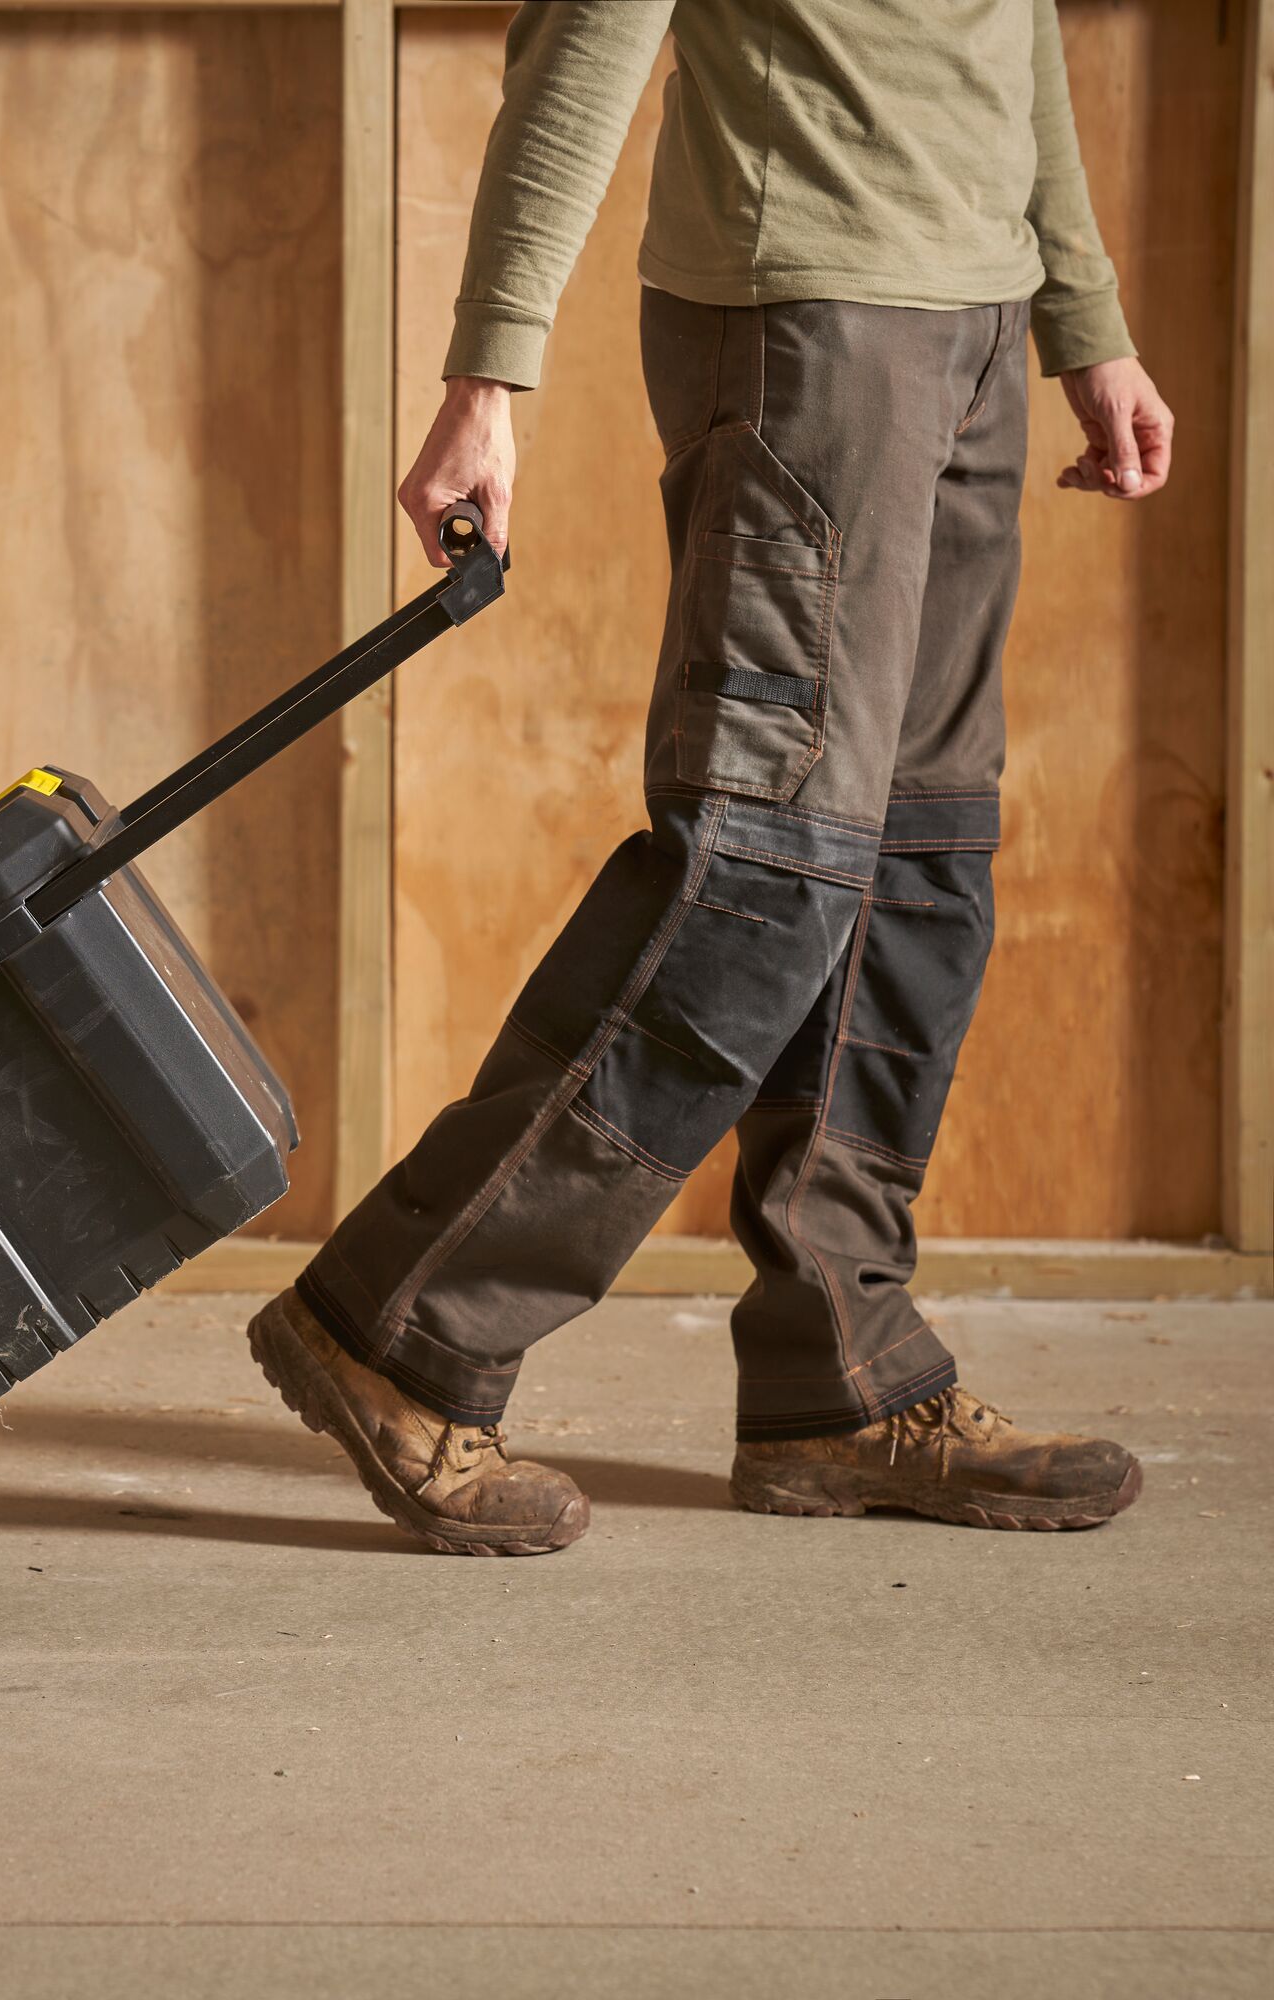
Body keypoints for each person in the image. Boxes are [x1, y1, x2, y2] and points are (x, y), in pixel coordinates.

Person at [250, 0, 1171, 1555]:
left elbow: (1017, 41)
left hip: (976, 321)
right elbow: (587, 36)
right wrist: (492, 370)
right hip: (809, 313)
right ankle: (400, 1324)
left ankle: (842, 1375)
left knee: (913, 867)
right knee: (765, 871)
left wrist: (1084, 317)